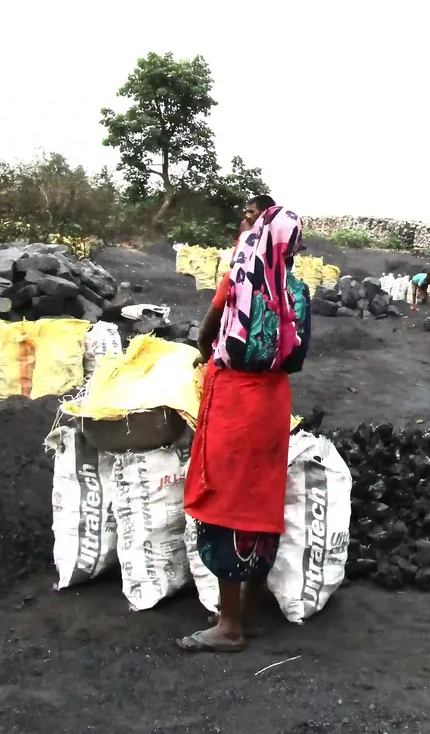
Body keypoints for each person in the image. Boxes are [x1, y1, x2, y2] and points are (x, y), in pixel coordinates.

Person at [181, 204, 309, 653]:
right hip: (273, 405)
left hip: (236, 403)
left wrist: (206, 349)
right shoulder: (297, 290)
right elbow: (297, 355)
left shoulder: (242, 280)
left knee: (226, 502)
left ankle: (228, 625)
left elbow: (205, 332)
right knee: (260, 501)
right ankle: (248, 614)